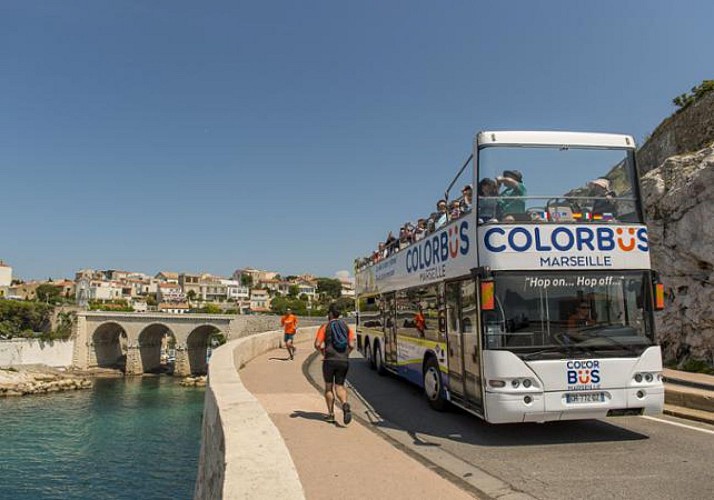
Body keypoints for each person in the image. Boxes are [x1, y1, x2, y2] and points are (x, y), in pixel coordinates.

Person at [314, 305, 356, 425]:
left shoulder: (325, 327)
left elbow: (317, 344)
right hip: (343, 361)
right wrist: (346, 354)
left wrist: (323, 353)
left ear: (331, 314)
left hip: (329, 361)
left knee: (328, 387)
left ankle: (331, 414)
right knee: (340, 386)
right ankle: (344, 404)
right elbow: (352, 345)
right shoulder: (346, 327)